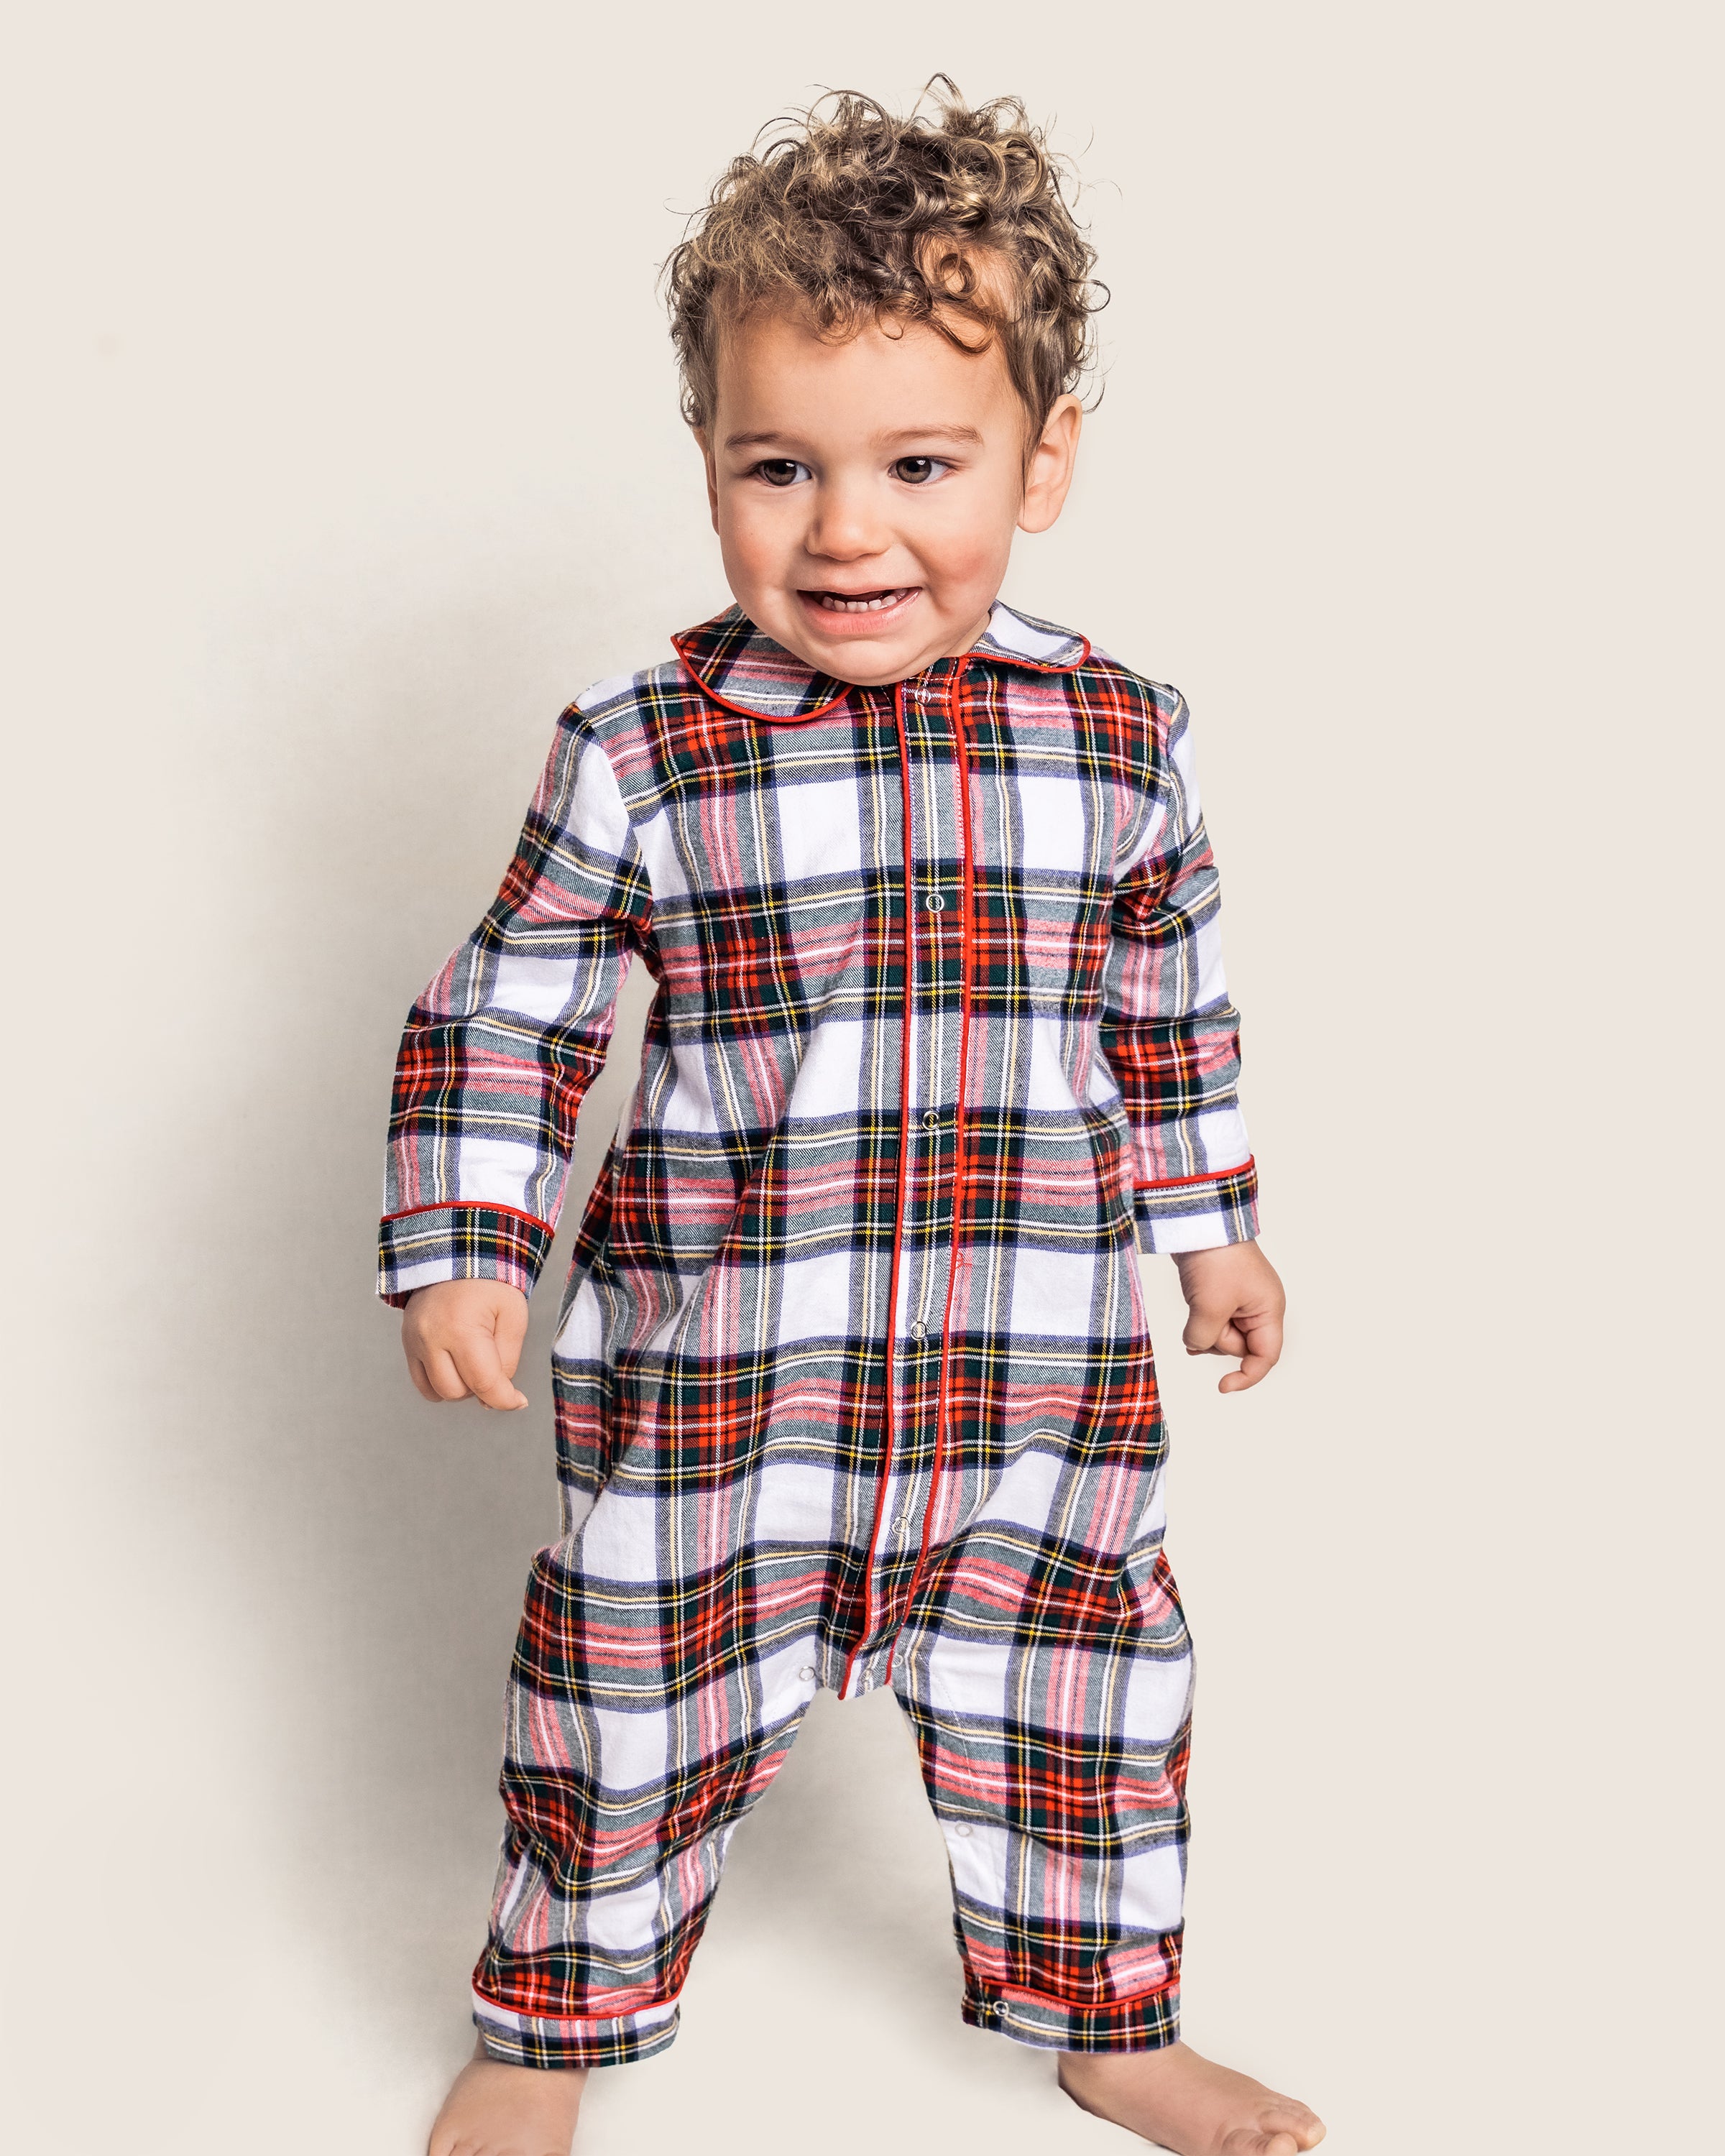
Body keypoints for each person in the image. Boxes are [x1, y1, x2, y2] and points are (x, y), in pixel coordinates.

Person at [379, 86, 1325, 2156]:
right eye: (776, 467)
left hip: (1032, 1382)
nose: (845, 531)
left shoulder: (1121, 741)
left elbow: (1164, 1001)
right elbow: (513, 999)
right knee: (624, 1712)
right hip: (732, 1381)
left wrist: (1214, 1224)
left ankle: (1108, 2020)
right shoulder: (646, 748)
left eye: (920, 465)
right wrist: (465, 1239)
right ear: (708, 466)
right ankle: (555, 2024)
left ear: (1043, 461)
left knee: (1090, 1713)